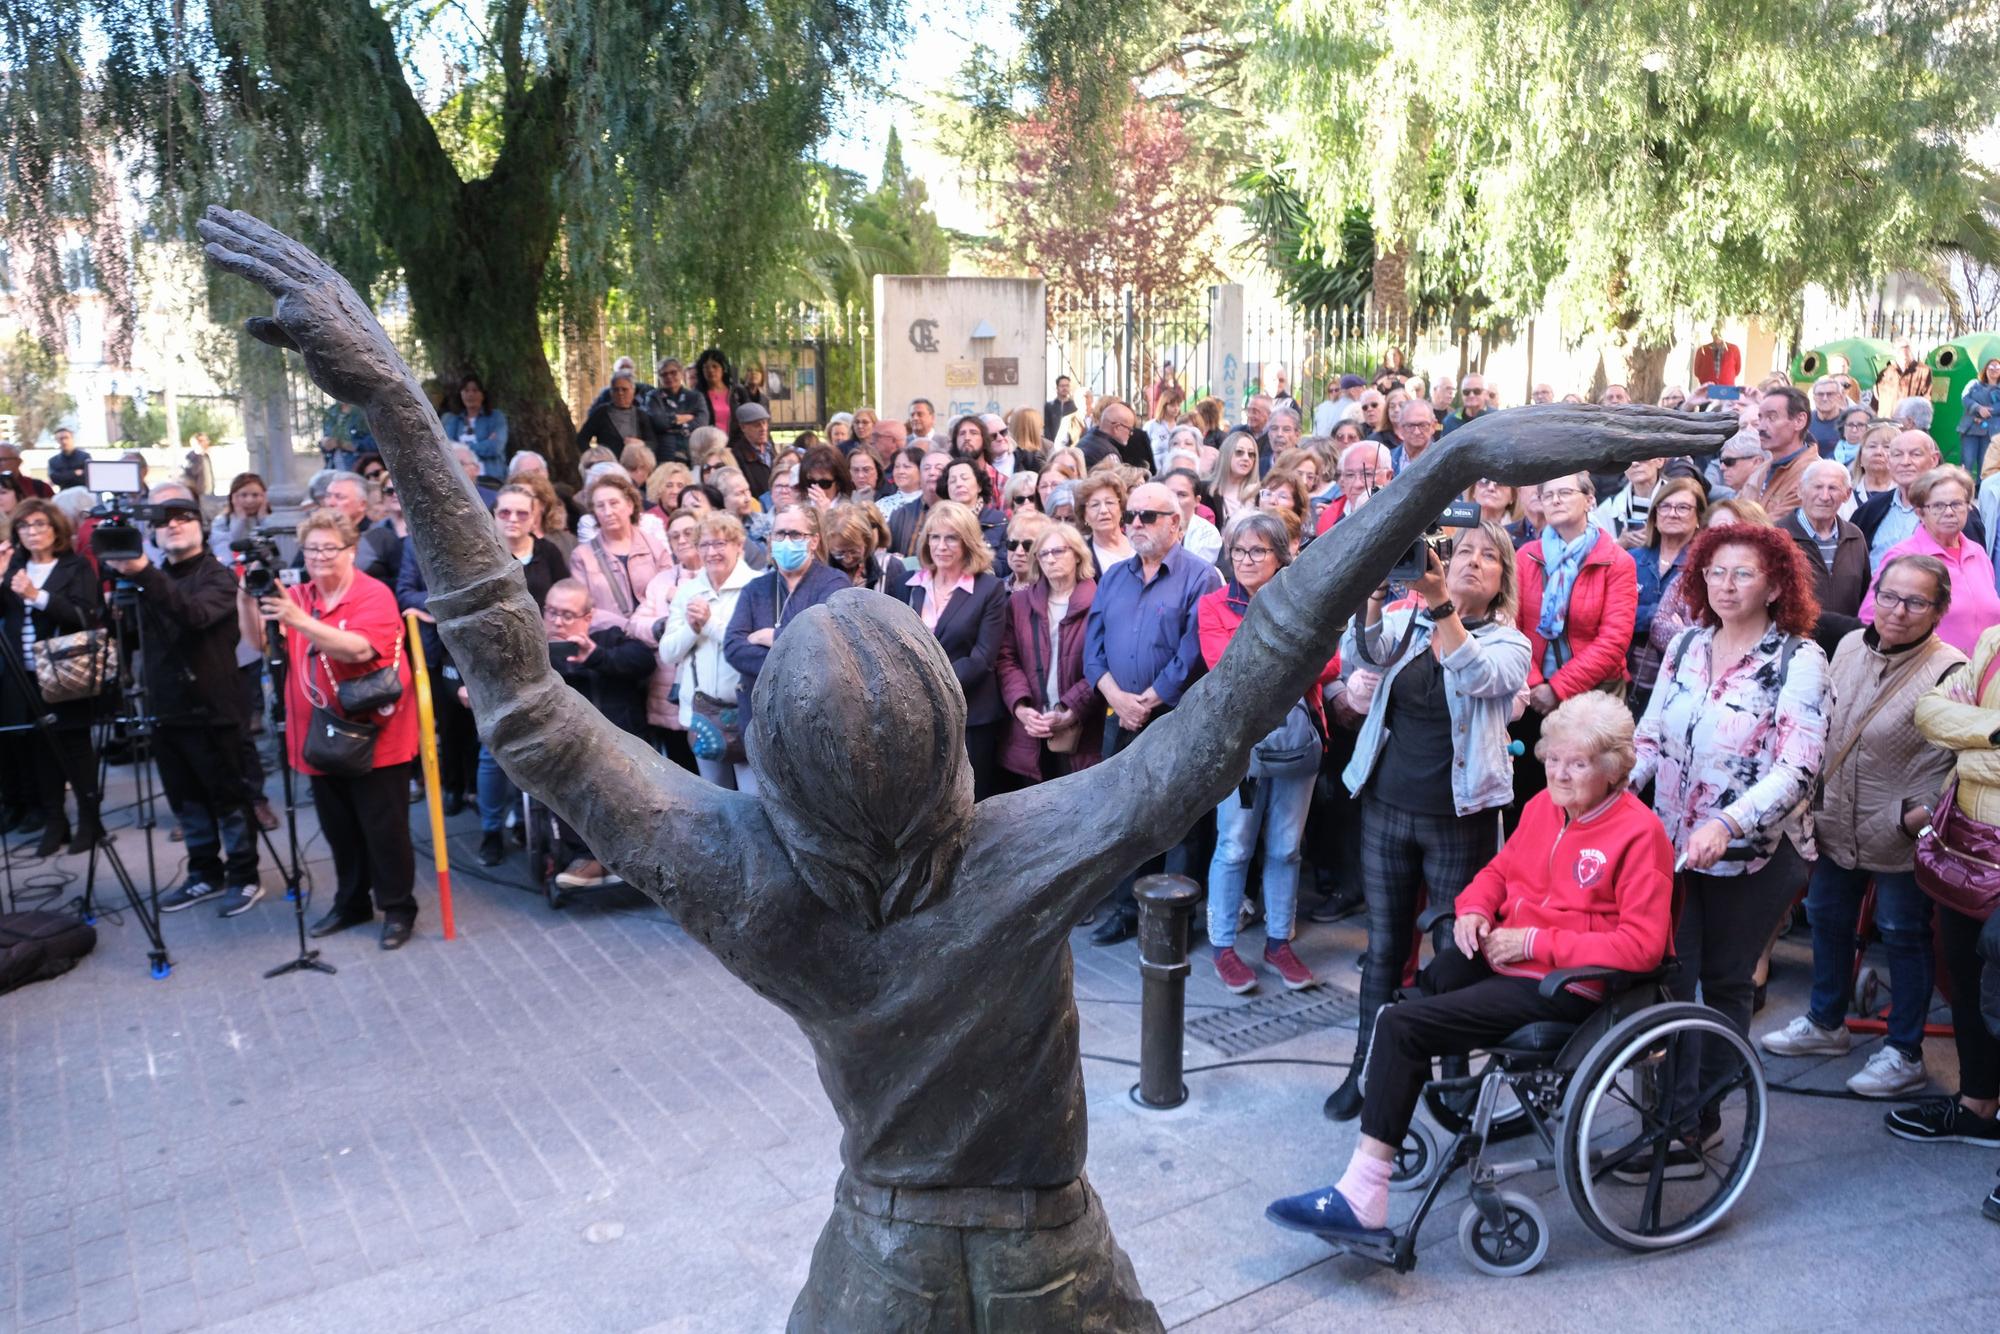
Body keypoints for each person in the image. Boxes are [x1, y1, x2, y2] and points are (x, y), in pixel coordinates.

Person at [1269, 692, 1671, 1238]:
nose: (1559, 773)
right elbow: (1500, 872)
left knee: (1405, 1027)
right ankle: (1386, 1133)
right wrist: (1475, 909)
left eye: (1576, 763)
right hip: (1511, 952)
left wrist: (1535, 941)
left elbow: (1642, 946)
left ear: (1612, 768)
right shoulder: (1542, 809)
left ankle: (1364, 1196)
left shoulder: (1639, 833)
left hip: (1569, 985)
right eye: (1552, 759)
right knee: (1406, 1003)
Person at [1633, 522, 1827, 1158]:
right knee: (1670, 975)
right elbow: (1651, 732)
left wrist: (1727, 823)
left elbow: (1796, 769)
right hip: (1674, 842)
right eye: (1715, 571)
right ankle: (1666, 1109)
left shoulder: (1800, 659)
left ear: (1774, 586)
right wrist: (1609, 786)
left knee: (1723, 981)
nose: (1726, 584)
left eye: (1743, 573)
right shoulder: (1686, 644)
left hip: (1757, 856)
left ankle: (1696, 1117)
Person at [1324, 522, 1531, 1120]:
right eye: (1461, 551)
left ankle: (1453, 1082)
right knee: (1385, 946)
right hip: (1387, 805)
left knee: (1451, 951)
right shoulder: (1406, 620)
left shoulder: (1508, 642)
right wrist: (1373, 592)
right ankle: (1365, 1069)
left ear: (1501, 583)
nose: (1471, 562)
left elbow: (1476, 676)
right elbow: (1358, 654)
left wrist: (1440, 604)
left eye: (1487, 557)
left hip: (1459, 816)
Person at [1762, 555, 1965, 1097]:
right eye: (1889, 596)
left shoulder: (1952, 670)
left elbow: (1961, 761)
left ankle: (1904, 1054)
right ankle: (1825, 1023)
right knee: (1827, 918)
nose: (1897, 611)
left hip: (1898, 828)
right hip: (1835, 816)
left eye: (1916, 601)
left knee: (1903, 935)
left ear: (1939, 610)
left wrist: (1916, 815)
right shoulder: (1850, 645)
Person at [258, 509, 420, 950]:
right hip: (317, 733)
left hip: (376, 733)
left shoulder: (374, 593)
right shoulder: (298, 596)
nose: (320, 557)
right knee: (339, 829)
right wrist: (247, 597)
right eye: (312, 549)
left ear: (351, 551)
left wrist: (300, 621)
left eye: (330, 548)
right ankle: (351, 903)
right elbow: (257, 642)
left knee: (383, 829)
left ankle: (398, 908)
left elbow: (359, 648)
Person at [101, 494, 265, 914]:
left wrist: (142, 574)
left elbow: (193, 615)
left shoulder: (219, 577)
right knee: (186, 800)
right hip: (165, 708)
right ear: (152, 533)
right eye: (163, 521)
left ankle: (245, 876)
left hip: (215, 709)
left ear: (201, 527)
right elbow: (134, 641)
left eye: (183, 519)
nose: (173, 526)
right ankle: (204, 872)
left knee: (228, 796)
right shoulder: (148, 579)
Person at [1199, 511, 1335, 994]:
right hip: (1241, 748)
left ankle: (1280, 941)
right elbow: (1227, 665)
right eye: (1239, 550)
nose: (1246, 559)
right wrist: (1293, 655)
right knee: (1233, 846)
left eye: (1258, 551)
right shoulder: (1215, 604)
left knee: (1286, 848)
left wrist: (1278, 658)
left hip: (1298, 746)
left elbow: (1332, 660)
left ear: (1282, 557)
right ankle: (1224, 945)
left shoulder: (1306, 601)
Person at [1082, 482, 1222, 943]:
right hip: (1117, 715)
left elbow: (1193, 652)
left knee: (1176, 820)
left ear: (1176, 523)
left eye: (1148, 516)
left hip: (1171, 718)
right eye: (1132, 516)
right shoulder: (1114, 576)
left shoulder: (1201, 577)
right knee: (1126, 819)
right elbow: (1093, 649)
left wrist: (1148, 701)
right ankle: (1125, 909)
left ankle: (1174, 922)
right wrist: (1117, 698)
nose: (1136, 524)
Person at [1902, 623, 2000, 1152]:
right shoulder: (1995, 640)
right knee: (1965, 974)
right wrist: (1992, 735)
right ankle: (1978, 1106)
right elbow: (1930, 711)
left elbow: (1952, 728)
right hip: (1968, 845)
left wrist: (1969, 741)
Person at [1514, 471, 1637, 812]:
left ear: (1590, 500)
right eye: (1548, 493)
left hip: (1593, 699)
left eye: (1565, 492)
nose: (1554, 500)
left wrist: (1558, 689)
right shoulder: (1527, 557)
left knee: (1585, 798)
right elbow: (1514, 628)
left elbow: (1614, 641)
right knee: (1530, 795)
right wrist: (1536, 683)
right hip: (1532, 695)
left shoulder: (1616, 561)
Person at [0, 499, 106, 855]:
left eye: (40, 524)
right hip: (22, 672)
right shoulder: (13, 566)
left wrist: (37, 596)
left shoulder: (75, 567)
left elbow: (86, 615)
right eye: (25, 526)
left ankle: (91, 822)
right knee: (38, 748)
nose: (33, 531)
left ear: (56, 529)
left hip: (65, 670)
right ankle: (55, 821)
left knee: (75, 747)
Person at [889, 502, 1010, 799]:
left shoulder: (989, 589)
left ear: (967, 541)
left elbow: (982, 659)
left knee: (968, 800)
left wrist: (929, 685)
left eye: (951, 538)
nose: (941, 546)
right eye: (935, 537)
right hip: (916, 715)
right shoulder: (908, 586)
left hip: (970, 714)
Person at [722, 503, 848, 733]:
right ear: (770, 539)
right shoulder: (755, 588)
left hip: (814, 721)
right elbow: (732, 646)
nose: (786, 540)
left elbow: (824, 645)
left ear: (813, 541)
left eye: (796, 534)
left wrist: (772, 636)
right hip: (760, 721)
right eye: (780, 533)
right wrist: (794, 656)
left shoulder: (833, 583)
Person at [996, 521, 1102, 786]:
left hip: (1083, 732)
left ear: (1077, 554)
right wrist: (1021, 708)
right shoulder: (1019, 603)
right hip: (1029, 731)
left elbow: (1103, 663)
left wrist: (1072, 709)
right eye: (1043, 554)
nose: (1051, 559)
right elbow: (1006, 660)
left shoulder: (1100, 601)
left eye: (1059, 551)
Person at [1859, 465, 2000, 655]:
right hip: (1931, 674)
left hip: (1985, 675)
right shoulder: (1904, 557)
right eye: (1938, 506)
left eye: (1957, 504)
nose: (1949, 512)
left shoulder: (1977, 554)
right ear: (1920, 512)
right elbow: (1870, 618)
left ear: (1969, 507)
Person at [1626, 476, 1706, 716]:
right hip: (1628, 678)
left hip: (1682, 681)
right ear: (1654, 514)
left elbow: (1700, 627)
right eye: (1665, 506)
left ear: (1699, 517)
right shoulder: (1631, 560)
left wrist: (1637, 613)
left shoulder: (1704, 567)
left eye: (1683, 507)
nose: (1672, 513)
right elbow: (1616, 615)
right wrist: (1659, 616)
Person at [1783, 458, 1872, 657]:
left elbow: (1864, 595)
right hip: (1794, 649)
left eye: (1833, 488)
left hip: (1846, 650)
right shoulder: (1779, 536)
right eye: (1817, 487)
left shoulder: (1854, 536)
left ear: (1847, 495)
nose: (1824, 496)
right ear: (1800, 490)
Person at [568, 472, 673, 636]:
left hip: (656, 635)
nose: (608, 512)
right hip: (612, 642)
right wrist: (631, 627)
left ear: (630, 505)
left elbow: (669, 590)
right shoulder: (582, 556)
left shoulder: (653, 545)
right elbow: (584, 609)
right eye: (600, 506)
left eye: (614, 503)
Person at [1743, 386, 1819, 523]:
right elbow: (1736, 511)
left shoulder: (1813, 475)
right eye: (1760, 418)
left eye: (1771, 418)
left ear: (1799, 421)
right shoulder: (1762, 469)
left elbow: (1774, 528)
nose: (1761, 427)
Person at [576, 369, 661, 457]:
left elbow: (653, 444)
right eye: (616, 390)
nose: (620, 393)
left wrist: (641, 444)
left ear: (633, 391)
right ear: (611, 392)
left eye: (624, 389)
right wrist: (595, 457)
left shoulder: (641, 415)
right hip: (608, 466)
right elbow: (582, 439)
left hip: (635, 466)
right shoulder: (601, 413)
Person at [939, 458, 1008, 562]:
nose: (959, 484)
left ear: (979, 486)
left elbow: (1004, 565)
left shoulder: (1000, 521)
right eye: (952, 481)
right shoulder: (938, 522)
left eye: (965, 478)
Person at [441, 373, 509, 479]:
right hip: (462, 478)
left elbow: (495, 447)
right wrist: (483, 443)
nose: (470, 394)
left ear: (483, 395)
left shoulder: (496, 417)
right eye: (466, 391)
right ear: (460, 394)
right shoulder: (454, 420)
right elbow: (447, 448)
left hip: (490, 478)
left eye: (475, 390)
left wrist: (462, 447)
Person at [644, 357, 703, 463]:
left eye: (673, 372)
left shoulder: (695, 397)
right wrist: (682, 418)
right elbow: (658, 422)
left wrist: (670, 424)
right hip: (664, 454)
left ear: (681, 373)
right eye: (664, 374)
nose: (669, 377)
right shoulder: (653, 397)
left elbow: (702, 422)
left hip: (691, 453)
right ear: (659, 377)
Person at [1074, 472, 1133, 577]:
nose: (1103, 510)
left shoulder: (1138, 540)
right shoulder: (1082, 557)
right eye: (1095, 505)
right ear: (1084, 515)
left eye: (1109, 502)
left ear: (1121, 508)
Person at [1161, 467, 1222, 564]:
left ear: (1197, 501)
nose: (1174, 500)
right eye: (1169, 494)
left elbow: (1192, 571)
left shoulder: (1207, 532)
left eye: (1182, 495)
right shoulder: (1149, 524)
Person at [1208, 431, 1261, 527]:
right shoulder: (1205, 491)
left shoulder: (1259, 495)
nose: (1246, 458)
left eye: (1251, 454)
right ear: (1226, 454)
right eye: (1239, 452)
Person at [1000, 509, 1049, 593]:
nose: (1019, 552)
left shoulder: (1051, 591)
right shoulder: (997, 588)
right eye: (1013, 544)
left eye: (1028, 545)